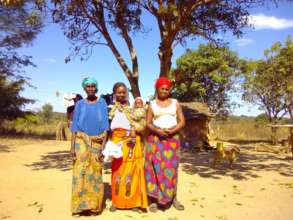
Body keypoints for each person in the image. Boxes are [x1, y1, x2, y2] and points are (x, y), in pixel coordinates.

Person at [144, 76, 185, 212]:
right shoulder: (152, 104)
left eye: (167, 89)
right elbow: (148, 123)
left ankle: (173, 198)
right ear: (157, 89)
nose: (165, 91)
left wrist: (172, 130)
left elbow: (182, 121)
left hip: (172, 140)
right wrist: (157, 131)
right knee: (154, 168)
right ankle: (154, 200)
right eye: (162, 89)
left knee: (171, 169)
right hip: (155, 139)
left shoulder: (175, 103)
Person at [70, 77, 109, 215]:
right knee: (80, 173)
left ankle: (94, 206)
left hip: (97, 142)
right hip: (81, 141)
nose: (91, 88)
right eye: (88, 86)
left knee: (95, 173)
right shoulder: (80, 104)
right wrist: (72, 147)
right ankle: (80, 207)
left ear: (96, 87)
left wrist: (103, 147)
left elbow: (105, 127)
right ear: (84, 88)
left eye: (93, 86)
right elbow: (75, 126)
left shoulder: (102, 103)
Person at [108, 82, 148, 212]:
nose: (121, 94)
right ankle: (116, 201)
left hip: (131, 141)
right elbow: (107, 127)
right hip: (115, 142)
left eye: (124, 92)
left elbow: (137, 124)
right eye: (118, 92)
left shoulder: (132, 109)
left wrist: (132, 134)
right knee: (117, 171)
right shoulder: (110, 108)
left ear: (126, 93)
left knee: (132, 172)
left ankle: (132, 202)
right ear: (114, 94)